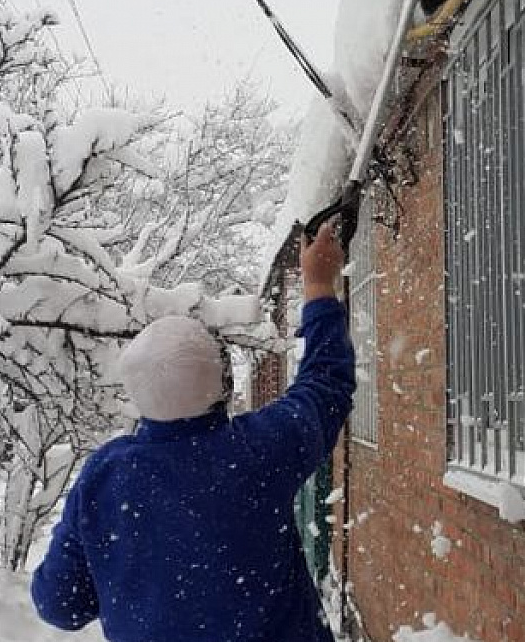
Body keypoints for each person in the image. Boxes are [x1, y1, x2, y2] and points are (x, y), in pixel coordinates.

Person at [31, 222, 354, 642]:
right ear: (223, 387)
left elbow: (59, 603)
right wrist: (317, 285)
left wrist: (129, 585)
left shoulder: (105, 476)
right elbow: (326, 384)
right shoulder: (257, 450)